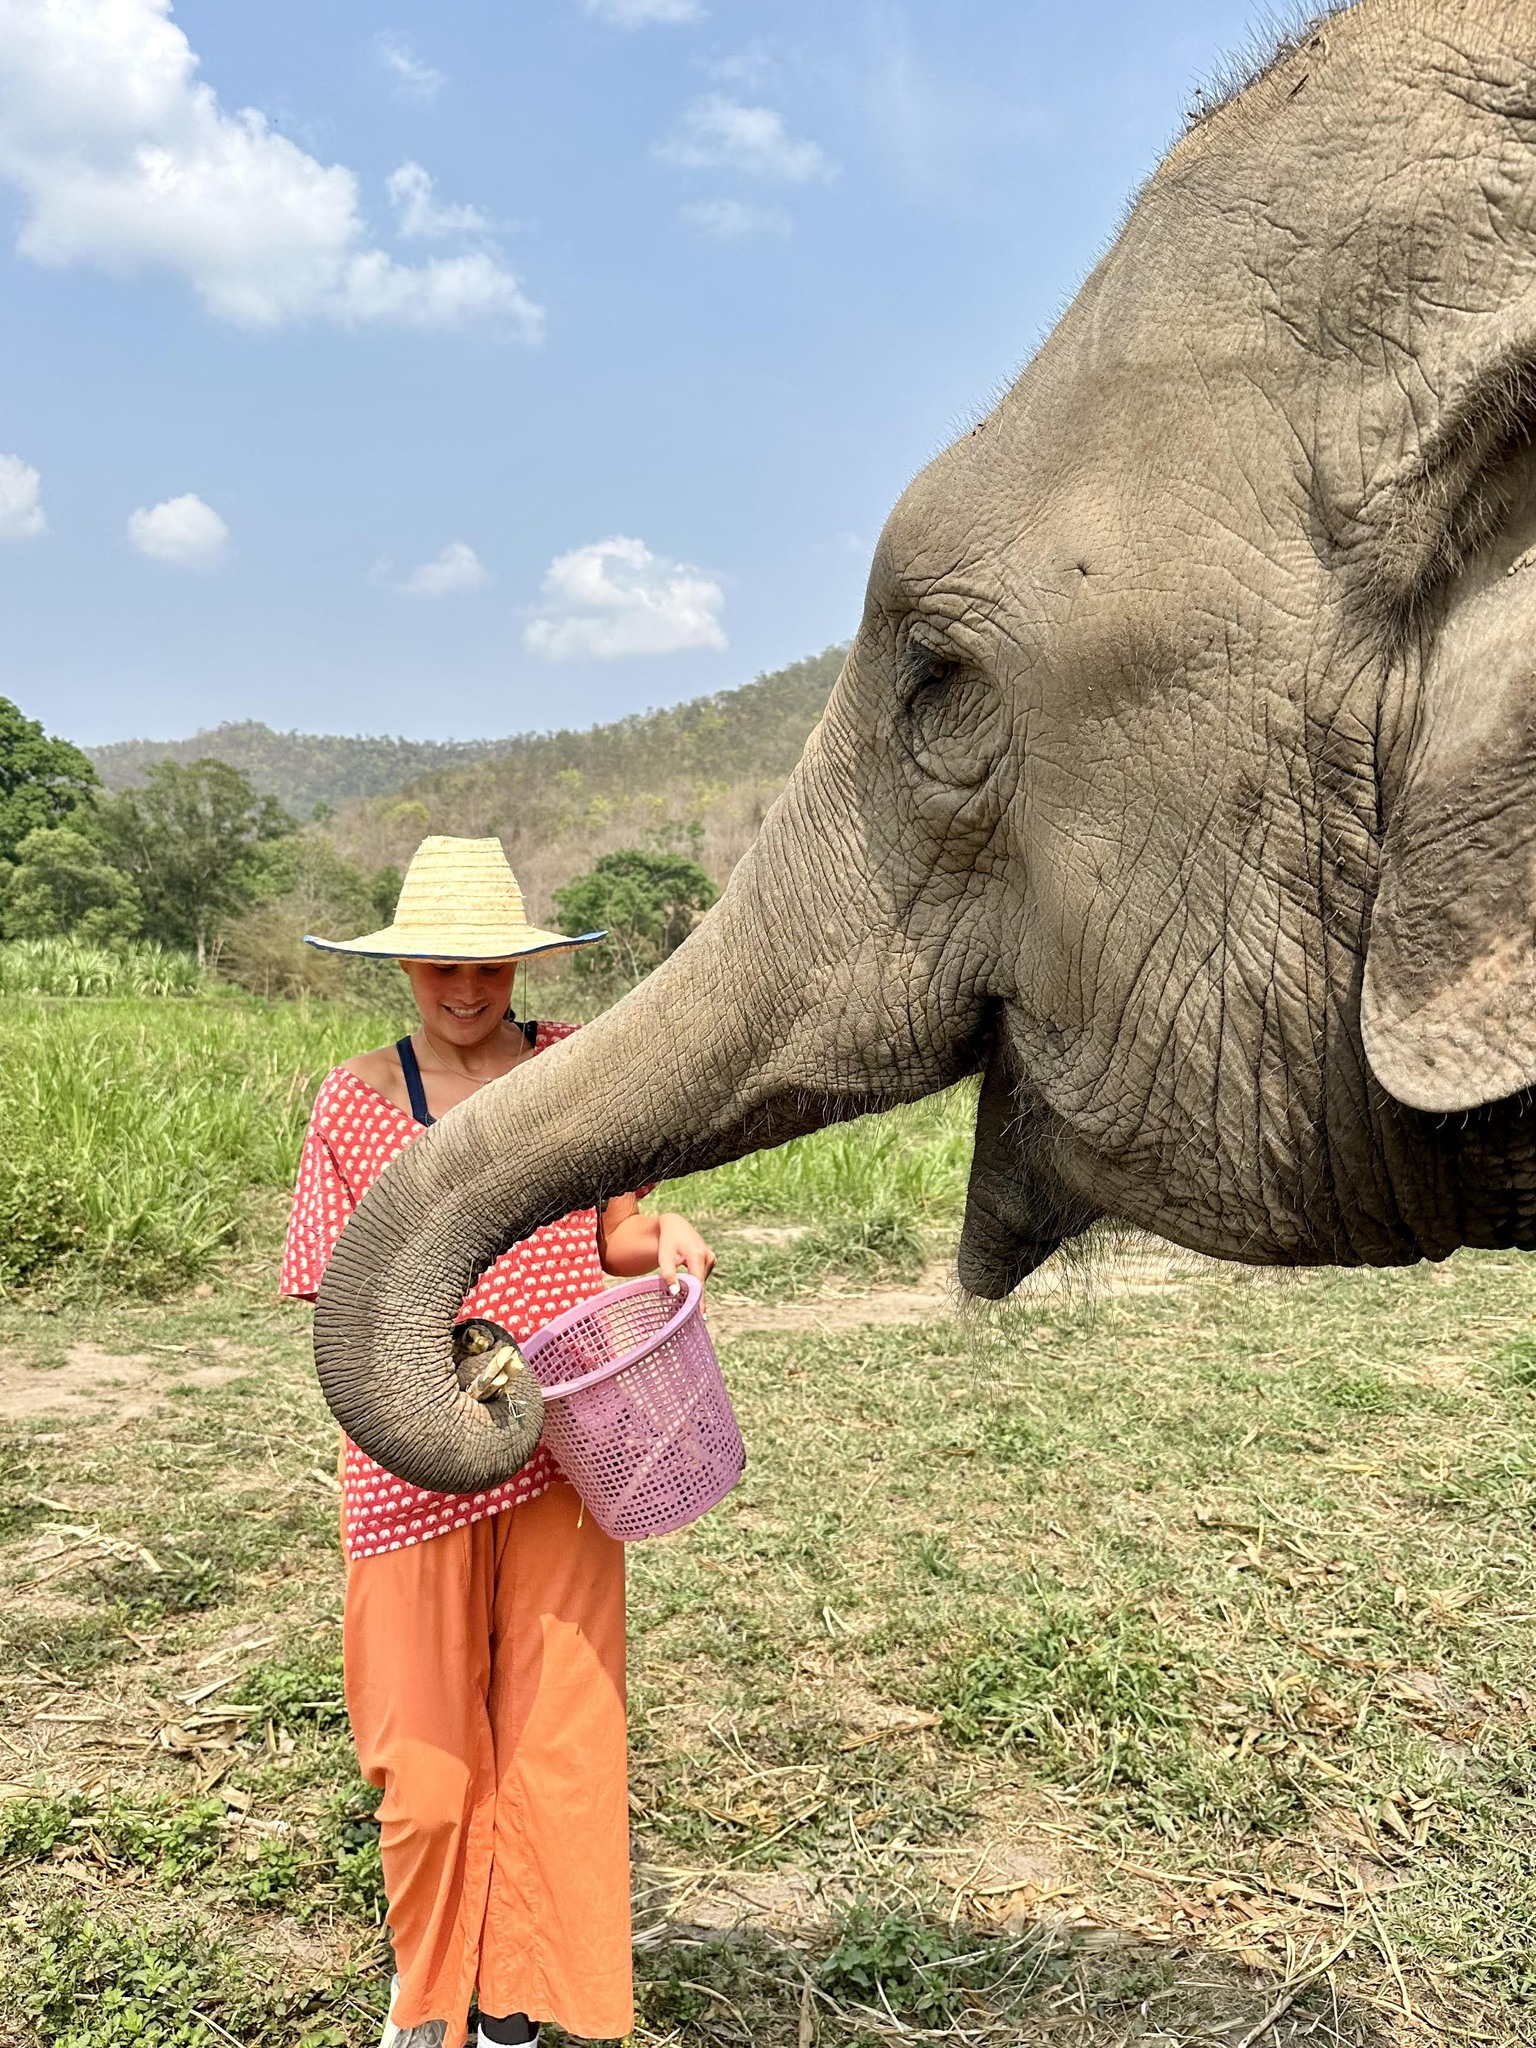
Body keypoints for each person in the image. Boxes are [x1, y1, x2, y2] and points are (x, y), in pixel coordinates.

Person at [281, 836, 715, 2048]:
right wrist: (452, 1366)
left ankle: (516, 1992)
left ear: (521, 962)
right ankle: (426, 1997)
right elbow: (338, 1295)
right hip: (411, 1458)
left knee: (557, 1732)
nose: (467, 992)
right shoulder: (355, 1099)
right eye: (438, 968)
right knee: (421, 1766)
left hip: (567, 1445)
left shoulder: (578, 1073)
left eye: (488, 968)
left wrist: (667, 1228)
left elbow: (617, 1232)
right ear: (402, 965)